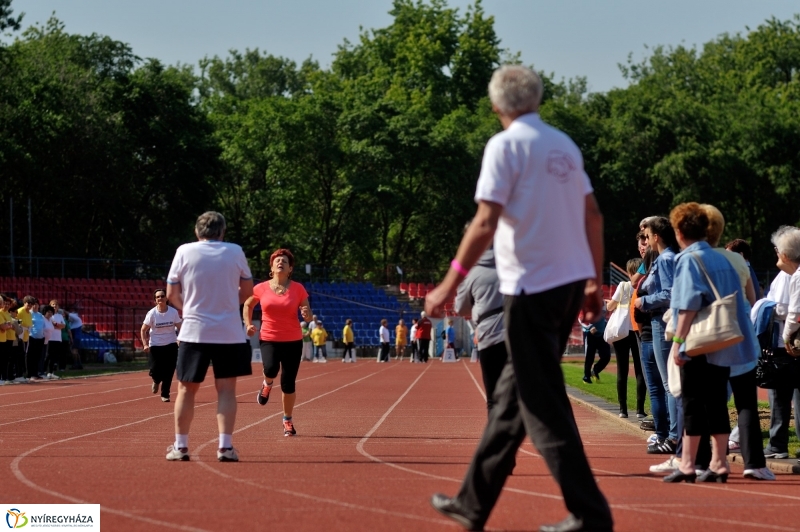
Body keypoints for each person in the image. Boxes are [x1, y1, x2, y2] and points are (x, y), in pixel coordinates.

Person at [426, 65, 612, 532]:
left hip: (531, 286)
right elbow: (592, 215)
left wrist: (449, 283)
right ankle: (473, 502)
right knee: (510, 401)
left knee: (541, 402)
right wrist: (592, 280)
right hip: (567, 283)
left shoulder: (504, 146)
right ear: (537, 99)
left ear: (496, 106)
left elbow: (485, 221)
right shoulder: (564, 146)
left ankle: (590, 514)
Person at [664, 202, 758, 483]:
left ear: (680, 230)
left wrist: (679, 341)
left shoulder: (688, 259)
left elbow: (688, 304)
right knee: (717, 401)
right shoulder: (724, 258)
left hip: (697, 338)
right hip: (722, 338)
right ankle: (719, 463)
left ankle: (689, 463)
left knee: (692, 400)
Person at [165, 211, 254, 462]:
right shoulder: (235, 251)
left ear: (197, 231)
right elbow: (247, 290)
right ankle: (225, 448)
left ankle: (181, 447)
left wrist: (193, 309)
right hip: (229, 331)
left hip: (194, 330)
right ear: (222, 232)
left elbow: (172, 293)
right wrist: (225, 306)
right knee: (226, 390)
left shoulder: (184, 251)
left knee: (185, 389)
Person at [243, 248, 312, 437]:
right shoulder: (261, 288)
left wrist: (307, 314)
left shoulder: (298, 288)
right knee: (271, 368)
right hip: (269, 338)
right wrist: (248, 323)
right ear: (271, 267)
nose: (281, 262)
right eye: (277, 260)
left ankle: (287, 420)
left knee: (288, 383)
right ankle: (266, 383)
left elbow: (308, 312)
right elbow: (248, 304)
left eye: (285, 261)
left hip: (293, 340)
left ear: (290, 269)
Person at [635, 216, 680, 455]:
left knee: (669, 384)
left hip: (662, 323)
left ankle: (673, 437)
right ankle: (671, 435)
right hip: (660, 322)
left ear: (657, 237)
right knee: (667, 384)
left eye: (647, 235)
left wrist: (644, 301)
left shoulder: (665, 259)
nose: (645, 240)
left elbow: (670, 293)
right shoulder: (663, 258)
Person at [455, 244, 508, 414]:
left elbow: (461, 309)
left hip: (490, 335)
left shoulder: (472, 274)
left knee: (493, 396)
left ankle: (497, 437)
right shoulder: (515, 266)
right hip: (519, 334)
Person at [763, 226, 800, 461]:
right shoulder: (788, 275)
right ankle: (777, 443)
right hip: (786, 342)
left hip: (788, 345)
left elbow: (793, 312)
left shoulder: (794, 276)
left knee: (781, 395)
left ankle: (777, 444)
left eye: (777, 250)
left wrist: (786, 336)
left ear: (785, 253)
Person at [606, 259, 647, 419]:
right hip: (637, 329)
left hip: (621, 331)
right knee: (640, 370)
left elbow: (610, 306)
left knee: (621, 369)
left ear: (630, 271)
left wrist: (611, 304)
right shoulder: (643, 285)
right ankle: (640, 410)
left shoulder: (623, 285)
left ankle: (622, 409)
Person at [141, 289, 182, 402]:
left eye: (162, 296)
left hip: (171, 344)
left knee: (169, 371)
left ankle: (165, 394)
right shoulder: (152, 314)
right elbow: (143, 330)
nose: (160, 298)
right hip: (155, 345)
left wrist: (179, 339)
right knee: (155, 370)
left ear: (166, 298)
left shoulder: (173, 312)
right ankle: (156, 380)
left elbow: (180, 327)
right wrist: (145, 344)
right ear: (155, 300)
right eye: (157, 297)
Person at [579, 307, 610, 385]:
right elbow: (580, 318)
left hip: (602, 333)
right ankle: (586, 377)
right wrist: (590, 327)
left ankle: (595, 371)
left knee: (606, 356)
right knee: (589, 357)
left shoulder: (603, 302)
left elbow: (603, 316)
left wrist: (606, 325)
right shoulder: (587, 301)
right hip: (590, 333)